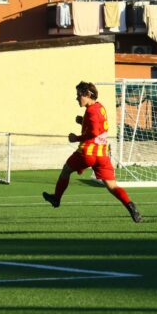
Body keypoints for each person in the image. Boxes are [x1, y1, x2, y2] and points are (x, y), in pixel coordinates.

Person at [42, 81, 142, 223]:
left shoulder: (90, 110)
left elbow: (94, 132)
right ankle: (130, 206)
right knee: (112, 186)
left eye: (79, 95)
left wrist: (77, 138)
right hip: (102, 154)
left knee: (65, 171)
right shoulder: (100, 107)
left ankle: (56, 199)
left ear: (88, 94)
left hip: (87, 153)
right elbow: (98, 126)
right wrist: (82, 121)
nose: (77, 98)